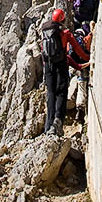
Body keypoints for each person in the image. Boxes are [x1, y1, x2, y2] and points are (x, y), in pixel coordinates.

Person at [41, 8, 89, 136]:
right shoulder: (65, 33)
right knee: (61, 92)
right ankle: (58, 121)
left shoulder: (46, 32)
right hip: (61, 66)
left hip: (48, 66)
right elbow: (77, 50)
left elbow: (43, 51)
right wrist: (87, 59)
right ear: (63, 19)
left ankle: (48, 126)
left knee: (51, 94)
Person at [67, 20, 95, 123]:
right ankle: (80, 108)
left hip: (71, 66)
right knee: (82, 86)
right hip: (82, 66)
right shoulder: (84, 39)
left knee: (72, 81)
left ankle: (68, 100)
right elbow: (89, 40)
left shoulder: (70, 41)